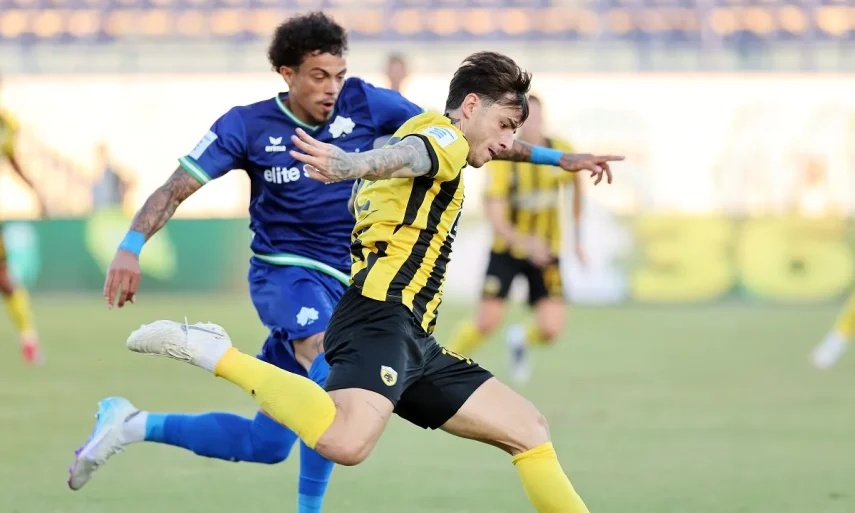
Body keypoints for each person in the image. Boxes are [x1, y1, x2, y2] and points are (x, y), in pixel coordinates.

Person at [67, 13, 589, 511]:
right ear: (287, 73)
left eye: (339, 74)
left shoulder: (388, 110)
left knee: (528, 430)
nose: (333, 87)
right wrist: (354, 164)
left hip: (404, 329)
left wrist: (555, 158)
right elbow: (417, 152)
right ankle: (214, 353)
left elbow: (442, 146)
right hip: (309, 284)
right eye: (505, 125)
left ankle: (133, 423)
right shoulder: (436, 136)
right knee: (343, 433)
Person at [447, 94, 584, 384]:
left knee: (551, 329)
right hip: (507, 251)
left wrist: (577, 237)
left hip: (546, 252)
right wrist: (526, 244)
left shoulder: (561, 149)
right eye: (527, 119)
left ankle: (520, 338)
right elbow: (497, 220)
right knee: (486, 322)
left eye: (538, 117)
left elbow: (577, 186)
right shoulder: (504, 157)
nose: (533, 124)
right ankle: (443, 362)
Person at [0, 75, 45, 365]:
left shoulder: (7, 124)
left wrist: (33, 188)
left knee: (5, 279)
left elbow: (12, 160)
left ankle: (28, 339)